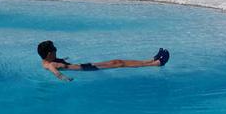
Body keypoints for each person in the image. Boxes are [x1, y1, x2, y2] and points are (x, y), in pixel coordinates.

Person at [37, 40, 169, 82]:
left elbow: (61, 64)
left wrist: (64, 60)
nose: (56, 49)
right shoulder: (50, 64)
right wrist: (67, 79)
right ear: (49, 54)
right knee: (119, 64)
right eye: (54, 49)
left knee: (117, 61)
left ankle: (151, 60)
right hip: (87, 69)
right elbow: (57, 73)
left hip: (86, 66)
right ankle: (155, 64)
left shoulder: (51, 60)